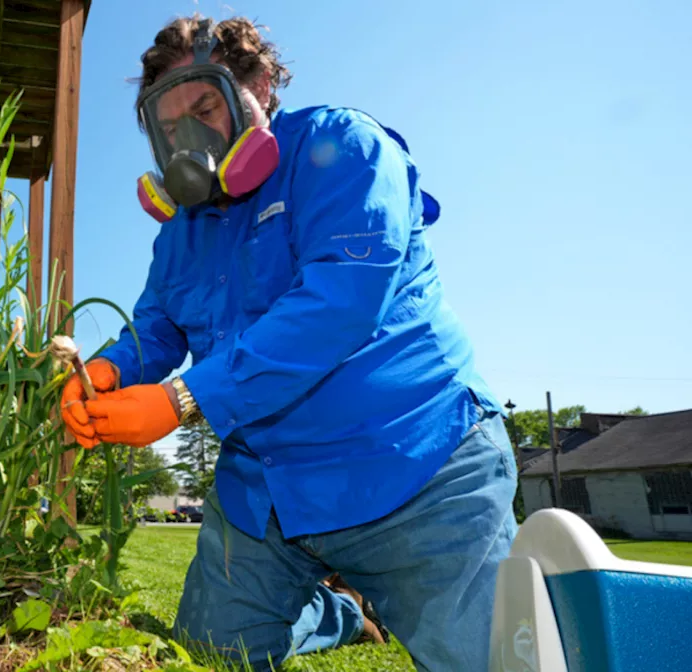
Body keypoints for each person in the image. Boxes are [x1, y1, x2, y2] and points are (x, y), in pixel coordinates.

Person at [60, 14, 516, 672]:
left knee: (496, 661)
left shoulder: (345, 149)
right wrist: (106, 370)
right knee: (212, 655)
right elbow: (157, 326)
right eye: (169, 123)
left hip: (415, 468)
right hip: (267, 492)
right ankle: (341, 615)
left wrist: (180, 400)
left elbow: (337, 304)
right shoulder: (180, 231)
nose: (188, 133)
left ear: (261, 86)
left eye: (206, 104)